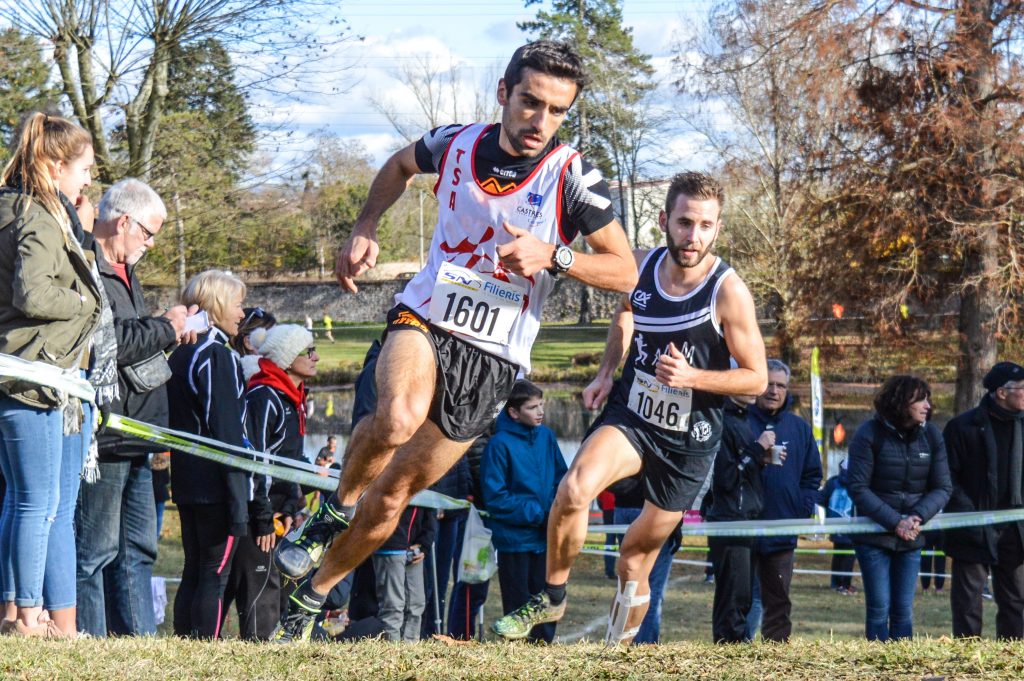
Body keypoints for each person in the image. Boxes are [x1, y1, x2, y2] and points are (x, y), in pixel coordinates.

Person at [272, 40, 637, 642]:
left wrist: (557, 255)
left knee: (392, 499)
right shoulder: (456, 143)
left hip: (493, 358)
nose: (538, 121)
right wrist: (365, 225)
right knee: (396, 417)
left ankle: (310, 596)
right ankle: (331, 512)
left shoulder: (573, 176)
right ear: (504, 93)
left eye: (555, 111)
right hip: (427, 316)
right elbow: (397, 166)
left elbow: (628, 269)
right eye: (529, 102)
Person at [492, 171, 767, 644]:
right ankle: (553, 596)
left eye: (705, 226)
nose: (692, 236)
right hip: (633, 415)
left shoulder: (727, 291)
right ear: (664, 220)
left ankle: (619, 657)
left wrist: (693, 378)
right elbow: (625, 310)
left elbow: (757, 379)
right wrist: (606, 372)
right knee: (574, 489)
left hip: (688, 439)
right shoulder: (639, 267)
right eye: (684, 222)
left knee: (633, 560)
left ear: (717, 229)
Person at [74, 178, 196, 638]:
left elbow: (132, 337)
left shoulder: (125, 271)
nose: (150, 244)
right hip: (106, 437)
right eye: (148, 233)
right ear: (124, 221)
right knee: (95, 552)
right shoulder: (88, 268)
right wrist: (165, 327)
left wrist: (160, 327)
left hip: (138, 433)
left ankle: (137, 642)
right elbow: (110, 345)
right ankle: (91, 641)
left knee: (139, 549)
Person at [0, 113, 104, 638]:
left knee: (38, 503)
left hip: (50, 378)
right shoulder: (35, 217)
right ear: (54, 164)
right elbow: (33, 294)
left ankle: (40, 618)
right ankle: (23, 616)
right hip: (32, 378)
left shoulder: (33, 210)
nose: (89, 179)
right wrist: (86, 298)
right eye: (84, 168)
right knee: (34, 503)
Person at [166, 270, 252, 639]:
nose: (243, 313)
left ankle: (184, 644)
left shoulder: (180, 351)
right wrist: (240, 498)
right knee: (213, 574)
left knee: (194, 568)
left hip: (186, 478)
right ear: (217, 306)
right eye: (237, 304)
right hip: (215, 484)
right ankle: (206, 649)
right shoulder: (216, 355)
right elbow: (228, 433)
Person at [223, 324, 316, 640]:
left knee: (279, 588)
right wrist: (262, 517)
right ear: (288, 359)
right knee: (260, 589)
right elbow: (258, 460)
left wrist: (291, 504)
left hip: (280, 510)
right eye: (308, 351)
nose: (315, 357)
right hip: (258, 512)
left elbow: (291, 462)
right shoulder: (265, 395)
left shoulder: (294, 397)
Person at [847, 375, 952, 642]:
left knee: (903, 610)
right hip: (874, 537)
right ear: (900, 401)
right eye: (920, 399)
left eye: (928, 399)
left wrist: (917, 517)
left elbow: (943, 488)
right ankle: (879, 665)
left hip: (912, 538)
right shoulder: (868, 434)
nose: (927, 405)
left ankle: (903, 666)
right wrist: (896, 522)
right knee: (879, 608)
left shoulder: (932, 436)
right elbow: (858, 488)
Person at [481, 380, 567, 644]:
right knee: (519, 603)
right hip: (514, 542)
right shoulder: (498, 445)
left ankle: (544, 648)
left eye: (541, 405)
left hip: (546, 539)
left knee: (547, 599)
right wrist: (540, 515)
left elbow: (562, 479)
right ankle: (519, 653)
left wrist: (556, 510)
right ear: (514, 412)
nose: (540, 411)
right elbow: (495, 497)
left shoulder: (547, 437)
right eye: (532, 407)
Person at [943, 361, 1024, 639]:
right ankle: (966, 661)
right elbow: (946, 480)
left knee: (1016, 601)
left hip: (1016, 530)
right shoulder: (961, 428)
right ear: (1002, 392)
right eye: (1023, 389)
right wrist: (971, 515)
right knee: (968, 603)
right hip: (971, 528)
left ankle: (1012, 660)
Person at [746, 359, 822, 642]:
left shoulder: (799, 428)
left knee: (778, 598)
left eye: (781, 385)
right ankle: (737, 650)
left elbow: (813, 475)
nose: (774, 391)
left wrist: (801, 509)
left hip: (782, 528)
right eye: (769, 383)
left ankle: (776, 654)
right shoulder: (740, 420)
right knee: (743, 597)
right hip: (744, 525)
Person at [707, 391, 771, 644]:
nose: (758, 389)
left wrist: (761, 458)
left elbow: (740, 469)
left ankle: (736, 644)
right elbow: (726, 478)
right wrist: (757, 449)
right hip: (730, 518)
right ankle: (729, 648)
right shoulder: (722, 421)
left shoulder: (741, 419)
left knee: (743, 593)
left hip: (745, 516)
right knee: (733, 593)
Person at [371, 504, 436, 641]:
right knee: (393, 606)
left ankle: (409, 652)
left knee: (416, 605)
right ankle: (391, 652)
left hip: (415, 548)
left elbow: (431, 504)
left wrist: (424, 542)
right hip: (390, 545)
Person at [820, 459, 858, 595]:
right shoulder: (857, 484)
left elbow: (821, 499)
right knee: (849, 556)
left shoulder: (832, 482)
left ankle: (835, 582)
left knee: (838, 554)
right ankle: (845, 585)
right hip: (851, 527)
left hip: (834, 526)